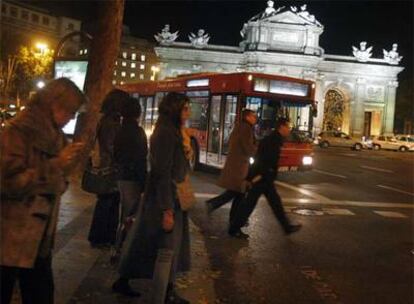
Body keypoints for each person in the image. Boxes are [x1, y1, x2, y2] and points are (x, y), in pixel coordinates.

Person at [0, 78, 86, 304]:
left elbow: (56, 185)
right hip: (10, 237)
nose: (72, 117)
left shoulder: (56, 136)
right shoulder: (17, 132)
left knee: (41, 294)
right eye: (71, 111)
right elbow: (9, 183)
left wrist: (66, 169)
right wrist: (56, 164)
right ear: (55, 105)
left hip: (38, 240)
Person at [114, 92, 191, 304]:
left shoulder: (174, 131)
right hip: (165, 199)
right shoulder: (166, 133)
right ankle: (163, 295)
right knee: (167, 249)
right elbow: (162, 172)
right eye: (185, 108)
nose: (188, 112)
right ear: (174, 109)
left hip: (166, 197)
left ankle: (132, 281)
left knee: (146, 242)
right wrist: (167, 209)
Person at [229, 118, 302, 238]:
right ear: (281, 127)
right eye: (288, 127)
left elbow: (260, 159)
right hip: (262, 178)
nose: (289, 129)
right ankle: (234, 228)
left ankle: (286, 227)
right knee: (249, 205)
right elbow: (263, 160)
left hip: (265, 177)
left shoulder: (273, 139)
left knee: (275, 203)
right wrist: (255, 177)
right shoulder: (273, 140)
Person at [88, 89, 130, 247]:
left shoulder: (108, 120)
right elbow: (111, 146)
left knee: (109, 202)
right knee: (107, 203)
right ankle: (100, 237)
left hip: (109, 167)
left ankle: (104, 237)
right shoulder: (111, 123)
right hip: (109, 169)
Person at [205, 109, 258, 226]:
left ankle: (233, 219)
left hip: (236, 164)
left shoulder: (240, 127)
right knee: (237, 192)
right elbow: (248, 147)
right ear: (248, 117)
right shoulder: (246, 128)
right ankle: (231, 217)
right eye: (253, 116)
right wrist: (258, 153)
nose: (255, 118)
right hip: (239, 166)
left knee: (238, 193)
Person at [112, 97, 148, 261]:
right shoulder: (138, 132)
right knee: (130, 215)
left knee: (125, 213)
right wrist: (143, 184)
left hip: (121, 176)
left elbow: (116, 154)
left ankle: (118, 248)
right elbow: (142, 158)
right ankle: (121, 249)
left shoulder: (119, 131)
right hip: (133, 178)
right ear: (137, 113)